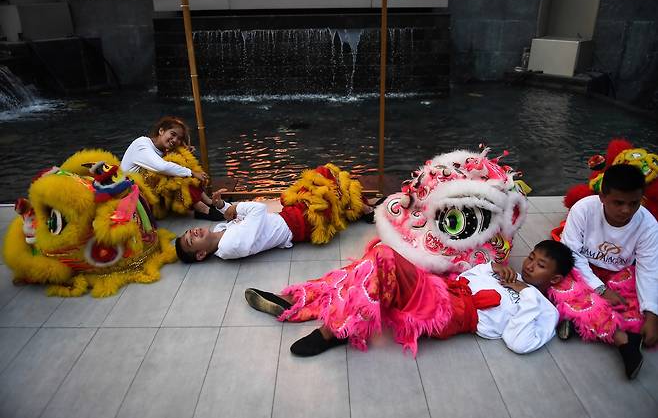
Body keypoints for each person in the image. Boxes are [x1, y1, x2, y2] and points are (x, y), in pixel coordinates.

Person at [244, 240, 573, 357]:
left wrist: (526, 293)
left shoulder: (543, 308)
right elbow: (463, 277)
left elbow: (519, 342)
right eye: (531, 257)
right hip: (442, 291)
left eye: (540, 265)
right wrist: (492, 269)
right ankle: (305, 302)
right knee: (369, 266)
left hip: (450, 313)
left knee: (383, 258)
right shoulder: (508, 275)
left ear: (554, 279)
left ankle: (334, 329)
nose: (529, 265)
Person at [553, 163, 658, 380]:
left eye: (634, 203)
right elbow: (571, 253)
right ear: (602, 197)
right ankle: (624, 341)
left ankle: (576, 318)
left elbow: (648, 269)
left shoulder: (648, 225)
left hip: (621, 275)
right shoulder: (583, 209)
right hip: (582, 270)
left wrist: (651, 314)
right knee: (555, 277)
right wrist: (600, 289)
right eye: (618, 202)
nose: (626, 210)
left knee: (639, 301)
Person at [175, 163, 377, 262]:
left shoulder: (221, 232)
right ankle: (365, 208)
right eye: (190, 240)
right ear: (201, 254)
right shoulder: (229, 246)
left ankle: (361, 209)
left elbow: (244, 219)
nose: (192, 232)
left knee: (319, 182)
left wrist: (222, 207)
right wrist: (235, 208)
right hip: (299, 224)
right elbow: (258, 210)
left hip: (287, 217)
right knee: (324, 180)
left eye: (189, 232)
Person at [120, 116, 223, 220]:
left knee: (181, 162)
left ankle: (208, 202)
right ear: (161, 131)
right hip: (132, 199)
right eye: (172, 134)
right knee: (175, 173)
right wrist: (191, 172)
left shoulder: (163, 150)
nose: (175, 140)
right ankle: (202, 209)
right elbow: (161, 167)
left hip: (150, 199)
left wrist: (183, 151)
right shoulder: (142, 144)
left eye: (179, 138)